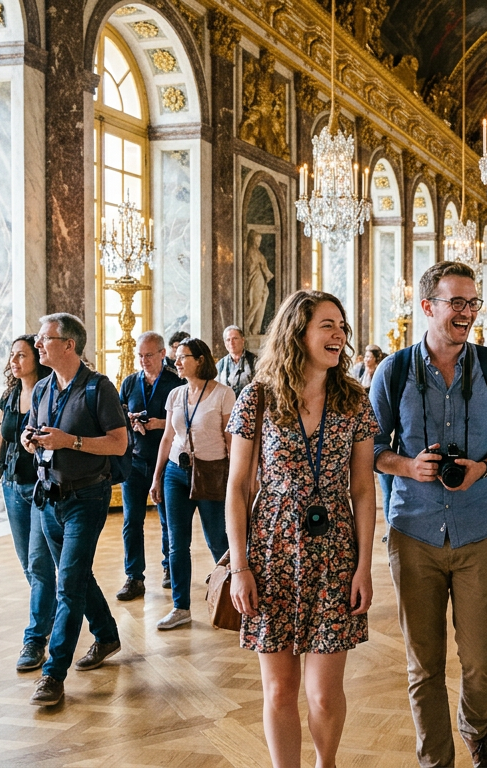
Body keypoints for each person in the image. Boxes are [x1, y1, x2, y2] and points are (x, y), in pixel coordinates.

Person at [370, 261, 487, 768]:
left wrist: (484, 466)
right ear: (428, 307)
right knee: (424, 664)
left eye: (472, 302)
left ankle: (474, 728)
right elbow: (371, 448)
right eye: (456, 302)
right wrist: (408, 466)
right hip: (412, 530)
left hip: (479, 528)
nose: (467, 313)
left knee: (483, 659)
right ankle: (435, 760)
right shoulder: (392, 370)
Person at [225, 290, 379, 768]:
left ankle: (325, 763)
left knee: (325, 693)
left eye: (342, 327)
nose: (339, 336)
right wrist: (239, 567)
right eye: (328, 326)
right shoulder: (259, 396)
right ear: (298, 332)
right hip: (271, 552)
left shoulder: (354, 401)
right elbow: (237, 486)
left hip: (335, 554)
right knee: (279, 689)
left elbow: (363, 491)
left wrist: (364, 567)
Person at [20, 313, 129, 706]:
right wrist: (30, 439)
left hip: (87, 498)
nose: (38, 343)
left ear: (69, 345)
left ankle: (53, 674)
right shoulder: (44, 388)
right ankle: (107, 635)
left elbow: (118, 444)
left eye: (45, 338)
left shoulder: (99, 388)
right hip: (49, 496)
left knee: (68, 582)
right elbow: (33, 429)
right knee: (76, 576)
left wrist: (72, 442)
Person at [150, 337, 236, 630]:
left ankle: (233, 601)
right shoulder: (175, 395)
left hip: (211, 472)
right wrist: (157, 475)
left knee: (217, 541)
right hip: (176, 472)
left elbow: (231, 442)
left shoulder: (223, 395)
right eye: (175, 357)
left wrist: (239, 482)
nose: (176, 362)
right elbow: (167, 438)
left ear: (200, 359)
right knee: (177, 543)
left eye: (182, 356)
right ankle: (180, 607)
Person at [0, 335, 54, 671]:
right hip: (13, 486)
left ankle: (35, 639)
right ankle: (53, 615)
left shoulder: (51, 391)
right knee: (28, 564)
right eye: (12, 355)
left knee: (39, 564)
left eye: (21, 355)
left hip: (43, 487)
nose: (14, 361)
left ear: (37, 358)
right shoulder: (10, 395)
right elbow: (1, 440)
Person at [116, 331, 182, 600]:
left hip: (166, 462)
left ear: (162, 354)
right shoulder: (130, 382)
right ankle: (134, 577)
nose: (143, 360)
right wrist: (131, 421)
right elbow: (118, 416)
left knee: (167, 520)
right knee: (132, 521)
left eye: (149, 355)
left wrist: (158, 424)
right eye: (140, 356)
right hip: (134, 461)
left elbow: (185, 423)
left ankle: (169, 569)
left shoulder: (176, 384)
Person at [217, 324, 258, 397]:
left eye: (235, 338)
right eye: (228, 340)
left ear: (242, 340)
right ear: (225, 343)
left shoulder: (254, 361)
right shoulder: (220, 365)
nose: (231, 343)